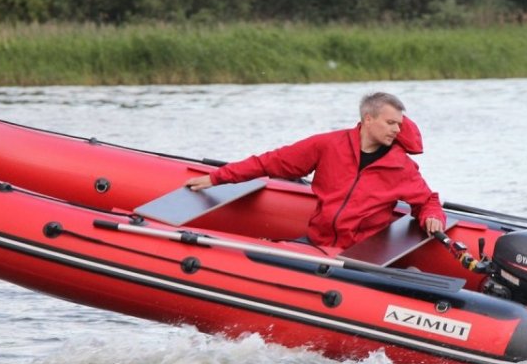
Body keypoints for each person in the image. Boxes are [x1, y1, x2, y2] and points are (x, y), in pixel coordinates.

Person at [185, 92, 446, 250]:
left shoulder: (401, 166)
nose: (396, 130)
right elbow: (270, 162)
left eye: (399, 125)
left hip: (359, 254)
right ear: (368, 119)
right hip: (317, 243)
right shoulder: (328, 145)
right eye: (390, 123)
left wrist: (432, 217)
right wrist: (216, 177)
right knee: (267, 257)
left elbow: (426, 201)